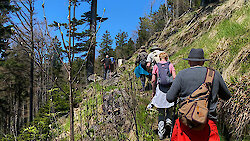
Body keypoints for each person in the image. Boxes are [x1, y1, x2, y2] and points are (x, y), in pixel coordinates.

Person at [166, 48, 231, 141]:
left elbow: (169, 97)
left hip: (185, 125)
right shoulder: (214, 74)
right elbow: (227, 96)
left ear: (189, 61)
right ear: (203, 62)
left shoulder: (181, 75)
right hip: (208, 124)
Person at [150, 52, 176, 140]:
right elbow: (174, 77)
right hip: (169, 90)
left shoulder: (156, 66)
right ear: (167, 57)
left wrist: (153, 91)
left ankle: (161, 133)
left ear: (160, 58)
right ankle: (169, 121)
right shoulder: (170, 65)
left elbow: (153, 80)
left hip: (160, 90)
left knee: (160, 112)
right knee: (170, 108)